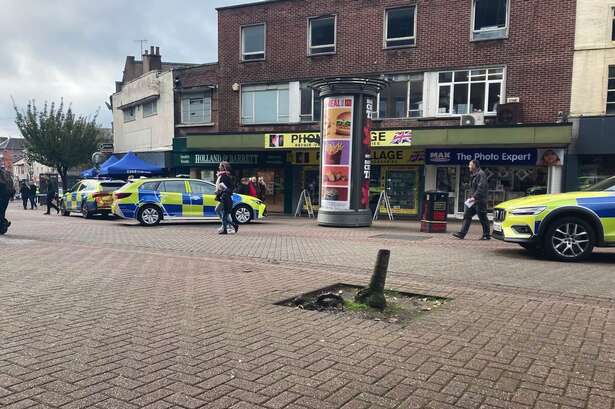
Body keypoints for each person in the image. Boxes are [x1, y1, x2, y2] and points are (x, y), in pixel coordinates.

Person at [453, 159, 491, 240]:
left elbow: (481, 187)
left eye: (470, 165)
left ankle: (486, 235)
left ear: (474, 165)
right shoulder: (474, 174)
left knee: (483, 218)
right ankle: (462, 234)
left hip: (480, 201)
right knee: (467, 215)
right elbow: (474, 188)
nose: (468, 166)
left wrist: (474, 197)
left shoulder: (481, 174)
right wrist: (471, 196)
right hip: (473, 201)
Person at [215, 161, 238, 234]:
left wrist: (222, 190)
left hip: (225, 197)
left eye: (220, 166)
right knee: (221, 211)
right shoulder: (222, 175)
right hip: (224, 196)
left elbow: (230, 188)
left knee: (223, 212)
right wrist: (218, 191)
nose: (218, 167)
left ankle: (229, 226)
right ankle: (228, 225)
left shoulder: (225, 176)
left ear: (223, 167)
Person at [0, 165, 15, 233]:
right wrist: (11, 196)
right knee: (2, 212)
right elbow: (12, 187)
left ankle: (4, 223)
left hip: (2, 195)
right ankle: (2, 228)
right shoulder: (6, 174)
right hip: (6, 196)